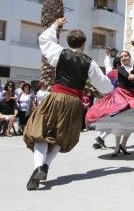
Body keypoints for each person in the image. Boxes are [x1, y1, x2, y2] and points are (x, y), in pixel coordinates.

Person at [23, 17, 113, 190]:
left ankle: (37, 167)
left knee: (39, 131)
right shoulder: (90, 62)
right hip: (73, 102)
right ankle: (46, 166)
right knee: (60, 137)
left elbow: (44, 39)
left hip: (56, 97)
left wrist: (56, 25)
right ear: (84, 44)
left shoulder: (60, 52)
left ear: (69, 41)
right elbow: (104, 85)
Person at [86, 40, 134, 157]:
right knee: (119, 122)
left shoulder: (132, 66)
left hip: (132, 96)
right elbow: (130, 77)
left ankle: (123, 145)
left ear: (129, 57)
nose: (123, 58)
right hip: (122, 96)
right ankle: (117, 147)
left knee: (131, 122)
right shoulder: (121, 69)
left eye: (125, 55)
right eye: (121, 56)